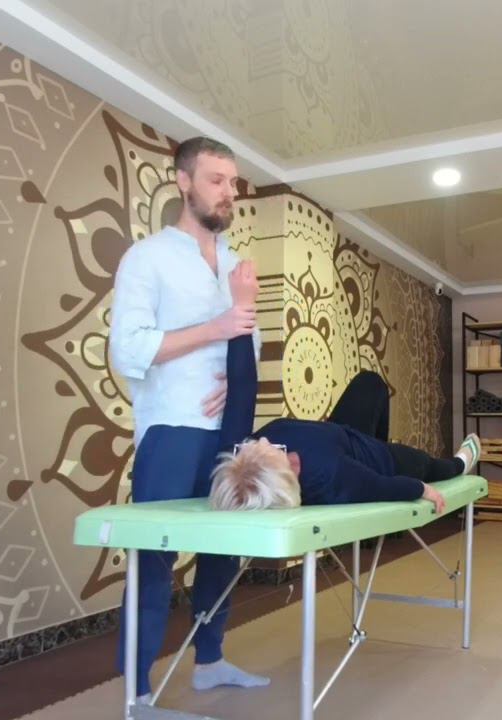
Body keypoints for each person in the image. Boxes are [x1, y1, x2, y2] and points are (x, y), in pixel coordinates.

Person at [107, 136, 268, 699]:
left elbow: (252, 340)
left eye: (233, 182)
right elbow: (128, 349)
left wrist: (234, 374)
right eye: (216, 180)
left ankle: (211, 659)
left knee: (223, 549)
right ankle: (137, 690)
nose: (229, 192)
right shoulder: (147, 258)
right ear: (183, 181)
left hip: (228, 432)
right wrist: (219, 327)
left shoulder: (235, 265)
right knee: (154, 558)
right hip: (172, 429)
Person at [202, 304, 480, 513]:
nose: (261, 440)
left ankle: (376, 445)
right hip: (379, 461)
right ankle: (460, 463)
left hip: (340, 434)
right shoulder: (329, 476)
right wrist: (422, 489)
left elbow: (241, 390)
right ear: (282, 472)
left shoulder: (243, 453)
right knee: (429, 466)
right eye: (264, 449)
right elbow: (381, 487)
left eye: (255, 445)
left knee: (370, 383)